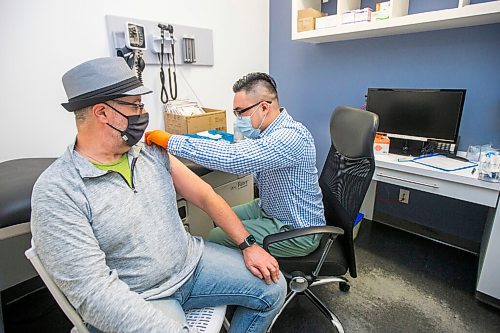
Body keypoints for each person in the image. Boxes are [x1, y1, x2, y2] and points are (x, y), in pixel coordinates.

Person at [30, 57, 286, 333]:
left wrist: (248, 245)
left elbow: (205, 196)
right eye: (135, 105)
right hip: (143, 295)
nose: (143, 113)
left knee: (273, 288)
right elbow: (94, 294)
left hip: (193, 264)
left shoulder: (149, 151)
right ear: (102, 113)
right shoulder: (58, 191)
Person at [145, 72, 325, 258]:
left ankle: (250, 283)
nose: (238, 119)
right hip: (270, 209)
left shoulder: (290, 136)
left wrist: (172, 142)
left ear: (264, 107)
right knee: (221, 217)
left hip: (297, 230)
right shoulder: (268, 133)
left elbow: (235, 158)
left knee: (217, 235)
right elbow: (240, 149)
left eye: (240, 112)